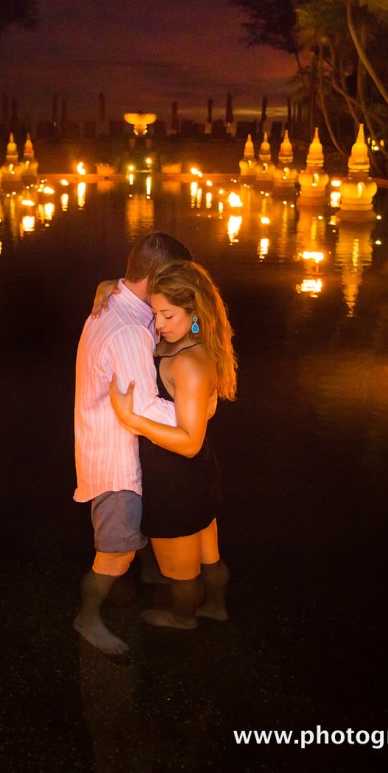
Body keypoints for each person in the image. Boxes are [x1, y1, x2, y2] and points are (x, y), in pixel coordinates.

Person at [73, 232, 192, 655]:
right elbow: (143, 409)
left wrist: (108, 282)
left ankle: (148, 569)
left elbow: (179, 317)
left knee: (129, 537)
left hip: (102, 446)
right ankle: (87, 619)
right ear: (158, 275)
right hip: (115, 465)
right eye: (176, 277)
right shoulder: (127, 331)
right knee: (113, 555)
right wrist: (197, 414)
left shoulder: (120, 305)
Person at [109, 260, 235, 630]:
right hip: (194, 476)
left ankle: (183, 619)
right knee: (209, 554)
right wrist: (107, 287)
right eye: (154, 312)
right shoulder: (196, 342)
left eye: (168, 315)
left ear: (194, 312)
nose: (158, 324)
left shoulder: (188, 363)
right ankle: (216, 607)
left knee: (181, 572)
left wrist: (133, 420)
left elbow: (190, 442)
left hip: (177, 480)